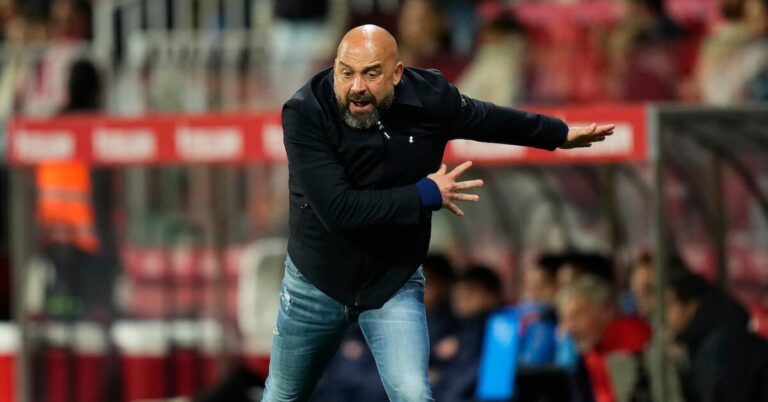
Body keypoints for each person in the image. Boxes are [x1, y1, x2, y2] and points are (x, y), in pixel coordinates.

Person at [263, 24, 614, 402]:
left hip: (391, 281)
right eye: (346, 72)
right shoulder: (305, 112)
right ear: (334, 68)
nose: (357, 86)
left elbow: (488, 118)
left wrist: (557, 134)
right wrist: (425, 194)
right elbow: (338, 210)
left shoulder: (428, 98)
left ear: (397, 74)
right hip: (316, 282)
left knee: (414, 394)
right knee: (283, 395)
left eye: (371, 73)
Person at [666, 273, 768, 402]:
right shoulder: (703, 343)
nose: (664, 315)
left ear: (692, 305)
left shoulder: (722, 346)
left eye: (669, 305)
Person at [556, 275, 651, 402]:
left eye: (577, 316)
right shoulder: (594, 348)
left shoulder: (631, 342)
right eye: (565, 319)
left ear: (607, 311)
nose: (568, 328)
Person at [432, 265, 503, 402]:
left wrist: (438, 377)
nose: (460, 298)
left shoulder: (499, 331)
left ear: (492, 296)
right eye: (457, 292)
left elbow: (466, 380)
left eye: (470, 292)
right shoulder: (454, 327)